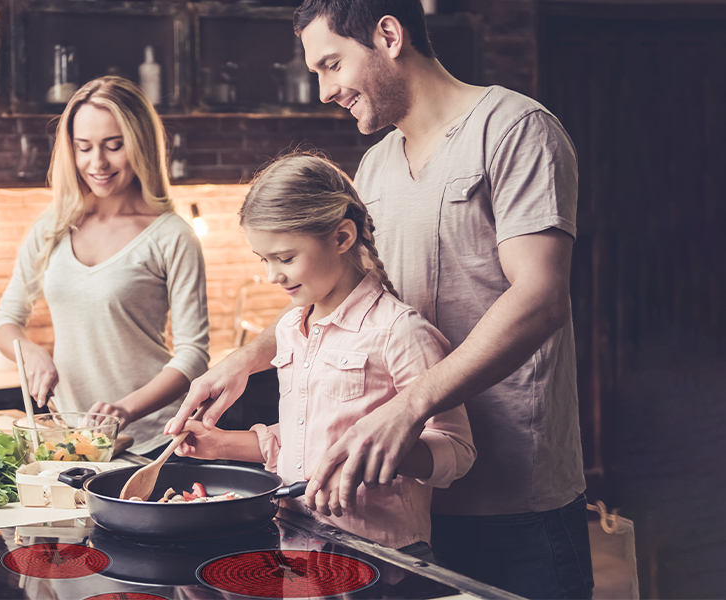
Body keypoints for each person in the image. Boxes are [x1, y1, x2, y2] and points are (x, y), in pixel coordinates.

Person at [166, 1, 592, 597]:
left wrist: (405, 410)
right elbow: (345, 301)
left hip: (513, 499)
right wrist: (248, 359)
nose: (323, 90)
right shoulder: (375, 168)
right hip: (400, 516)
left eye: (331, 63)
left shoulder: (515, 129)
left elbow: (541, 297)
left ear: (388, 35)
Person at [174, 154, 475, 559]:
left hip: (386, 556)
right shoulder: (287, 331)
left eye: (285, 258)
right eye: (263, 259)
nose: (271, 276)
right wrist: (221, 445)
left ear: (341, 238)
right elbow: (302, 440)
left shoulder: (399, 332)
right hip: (298, 543)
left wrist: (384, 450)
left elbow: (457, 452)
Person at [0, 76, 209, 456]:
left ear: (139, 145)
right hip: (74, 440)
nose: (98, 163)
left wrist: (125, 410)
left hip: (154, 442)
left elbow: (194, 355)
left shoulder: (172, 235)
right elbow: (4, 320)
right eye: (84, 147)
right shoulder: (52, 226)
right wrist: (29, 352)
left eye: (114, 146)